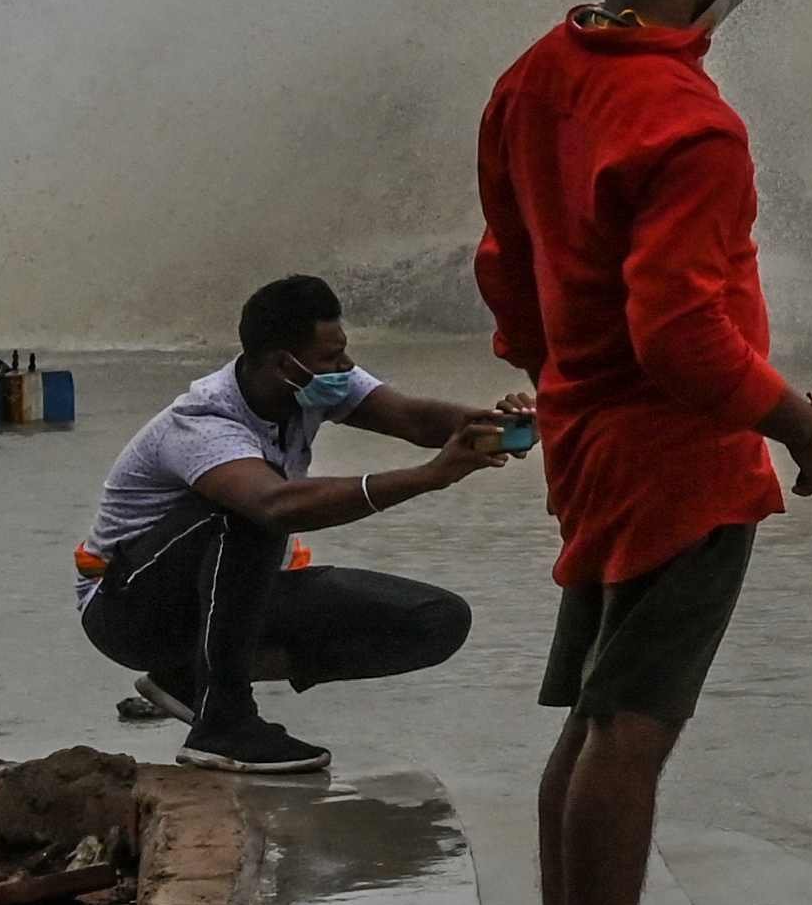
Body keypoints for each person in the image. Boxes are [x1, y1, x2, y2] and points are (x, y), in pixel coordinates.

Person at [474, 0, 812, 905]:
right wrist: (800, 422)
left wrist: (559, 380)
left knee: (589, 728)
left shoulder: (534, 79)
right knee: (629, 738)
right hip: (677, 467)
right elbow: (683, 332)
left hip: (587, 444)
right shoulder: (689, 124)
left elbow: (506, 275)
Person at [71, 277, 511, 770]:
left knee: (436, 619)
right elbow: (277, 506)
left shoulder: (311, 385)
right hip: (130, 613)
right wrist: (429, 477)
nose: (345, 368)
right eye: (331, 357)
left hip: (227, 595)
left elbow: (411, 417)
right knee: (254, 513)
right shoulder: (203, 421)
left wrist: (494, 426)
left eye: (344, 353)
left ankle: (195, 678)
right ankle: (223, 723)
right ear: (284, 363)